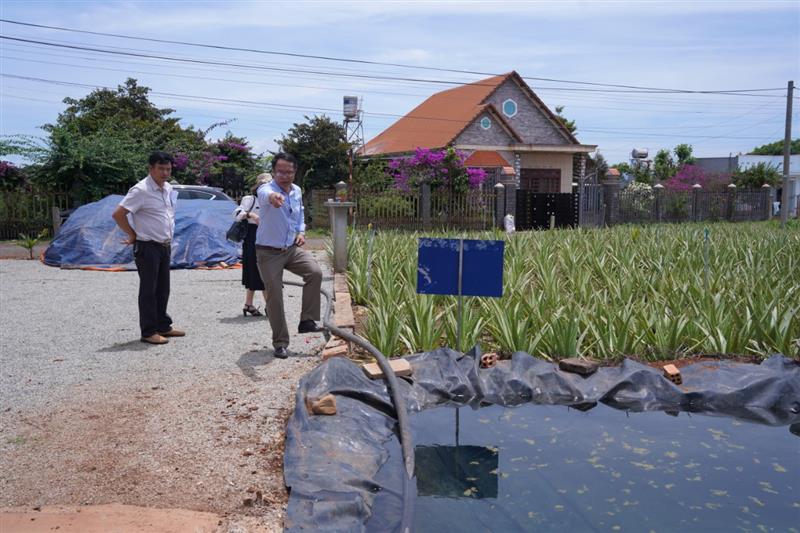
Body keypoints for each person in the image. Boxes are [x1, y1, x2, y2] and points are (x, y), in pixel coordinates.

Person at [112, 151, 186, 345]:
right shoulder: (141, 190)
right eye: (160, 168)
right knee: (148, 290)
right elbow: (118, 214)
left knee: (163, 289)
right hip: (147, 246)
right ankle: (148, 331)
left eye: (168, 169)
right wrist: (132, 234)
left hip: (164, 245)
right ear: (151, 168)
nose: (165, 173)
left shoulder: (168, 188)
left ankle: (163, 325)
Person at [255, 152, 323, 359]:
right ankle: (280, 342)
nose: (285, 175)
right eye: (280, 172)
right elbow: (265, 193)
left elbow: (300, 213)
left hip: (291, 249)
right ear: (274, 172)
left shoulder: (297, 191)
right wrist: (274, 197)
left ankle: (307, 321)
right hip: (268, 252)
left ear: (295, 172)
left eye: (289, 172)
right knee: (274, 295)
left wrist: (301, 232)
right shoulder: (266, 190)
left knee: (315, 272)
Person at [234, 173, 270, 316]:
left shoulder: (271, 201)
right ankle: (270, 306)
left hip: (267, 236)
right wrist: (251, 215)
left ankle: (248, 304)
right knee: (259, 271)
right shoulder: (250, 199)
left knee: (260, 271)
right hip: (253, 237)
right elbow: (236, 213)